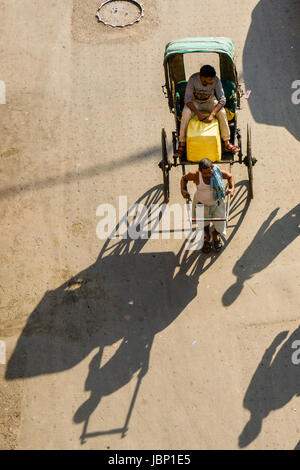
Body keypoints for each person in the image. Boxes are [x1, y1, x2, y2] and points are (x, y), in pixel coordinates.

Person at [175, 65, 239, 158]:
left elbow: (222, 99)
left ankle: (227, 142)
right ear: (202, 77)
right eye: (209, 80)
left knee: (222, 112)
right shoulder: (193, 79)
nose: (212, 81)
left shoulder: (216, 80)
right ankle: (182, 143)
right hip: (195, 103)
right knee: (186, 113)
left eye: (212, 79)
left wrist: (212, 114)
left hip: (210, 102)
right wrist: (198, 114)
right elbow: (187, 99)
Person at [180, 158, 235, 253]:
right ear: (200, 171)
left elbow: (230, 177)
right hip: (201, 203)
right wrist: (183, 189)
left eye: (210, 172)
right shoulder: (195, 175)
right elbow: (184, 178)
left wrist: (232, 188)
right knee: (204, 223)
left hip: (217, 203)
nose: (208, 175)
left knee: (221, 224)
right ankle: (208, 237)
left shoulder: (218, 172)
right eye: (205, 173)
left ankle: (215, 234)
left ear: (212, 168)